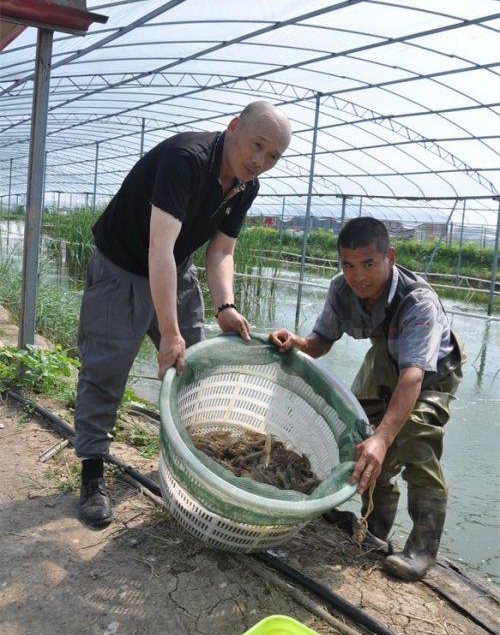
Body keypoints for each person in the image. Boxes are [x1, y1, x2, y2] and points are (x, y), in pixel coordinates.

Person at [75, 101, 292, 527]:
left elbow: (221, 251)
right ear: (233, 128)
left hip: (175, 269)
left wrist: (225, 306)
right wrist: (169, 331)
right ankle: (92, 471)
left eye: (273, 156)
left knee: (194, 368)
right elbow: (158, 248)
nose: (260, 162)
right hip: (123, 269)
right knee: (106, 370)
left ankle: (186, 464)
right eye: (257, 146)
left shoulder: (246, 187)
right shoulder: (186, 159)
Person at [269, 217, 465, 580]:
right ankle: (374, 529)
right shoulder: (341, 290)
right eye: (348, 265)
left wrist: (384, 437)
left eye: (368, 264)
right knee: (360, 431)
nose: (358, 276)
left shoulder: (418, 303)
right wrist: (297, 342)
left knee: (414, 439)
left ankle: (423, 550)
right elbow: (321, 341)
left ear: (389, 257)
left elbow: (412, 376)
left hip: (432, 371)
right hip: (384, 358)